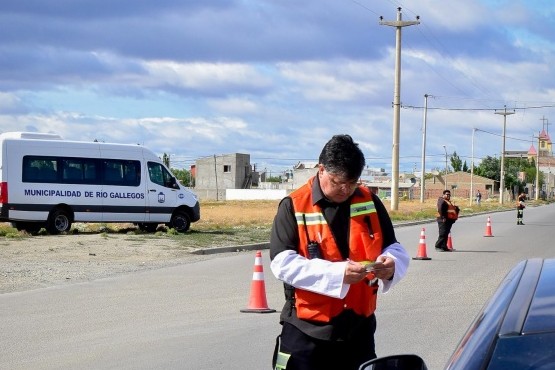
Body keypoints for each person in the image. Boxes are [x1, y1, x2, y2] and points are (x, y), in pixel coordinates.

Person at [269, 134, 410, 370]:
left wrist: (392, 263)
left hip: (358, 330)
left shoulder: (370, 201)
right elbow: (282, 262)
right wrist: (337, 274)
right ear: (321, 169)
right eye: (337, 182)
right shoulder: (293, 205)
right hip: (307, 330)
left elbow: (392, 245)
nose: (345, 189)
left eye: (352, 182)